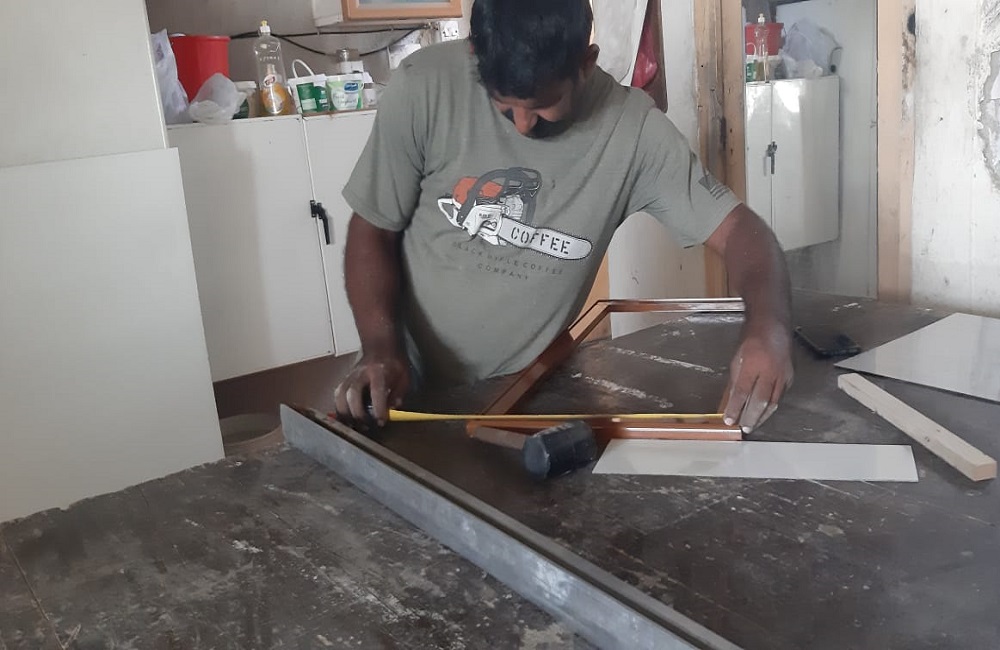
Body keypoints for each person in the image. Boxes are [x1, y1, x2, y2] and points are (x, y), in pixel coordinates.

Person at [334, 0, 793, 432]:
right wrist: (380, 349)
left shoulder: (633, 132)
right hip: (404, 380)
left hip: (524, 389)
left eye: (540, 107)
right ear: (476, 54)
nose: (522, 125)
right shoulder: (424, 86)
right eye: (504, 105)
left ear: (586, 63)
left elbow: (740, 232)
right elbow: (372, 229)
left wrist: (768, 331)